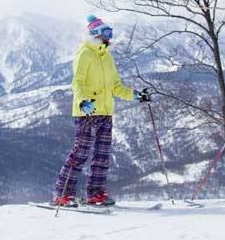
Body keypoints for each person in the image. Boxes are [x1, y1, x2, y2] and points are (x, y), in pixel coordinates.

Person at [52, 15, 151, 207]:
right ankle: (61, 193)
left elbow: (116, 87)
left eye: (110, 33)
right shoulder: (84, 54)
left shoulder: (108, 57)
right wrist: (83, 101)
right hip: (87, 111)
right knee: (80, 153)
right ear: (95, 34)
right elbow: (77, 82)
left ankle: (95, 193)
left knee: (102, 154)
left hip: (105, 112)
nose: (109, 37)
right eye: (106, 33)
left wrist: (136, 96)